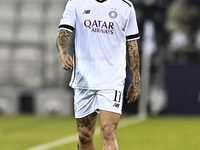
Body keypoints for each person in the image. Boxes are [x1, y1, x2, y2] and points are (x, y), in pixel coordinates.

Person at [56, 0, 141, 149]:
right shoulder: (76, 2)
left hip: (112, 79)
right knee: (84, 136)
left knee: (109, 132)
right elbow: (63, 31)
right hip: (84, 80)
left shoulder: (125, 6)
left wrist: (136, 80)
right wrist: (63, 54)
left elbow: (132, 44)